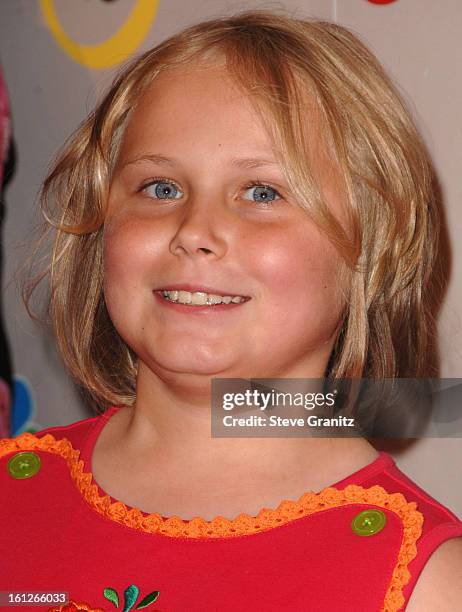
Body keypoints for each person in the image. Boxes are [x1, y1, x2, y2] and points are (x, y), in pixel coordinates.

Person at [1, 9, 461, 612]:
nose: (195, 230)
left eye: (262, 193)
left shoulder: (422, 579)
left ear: (373, 246)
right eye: (160, 188)